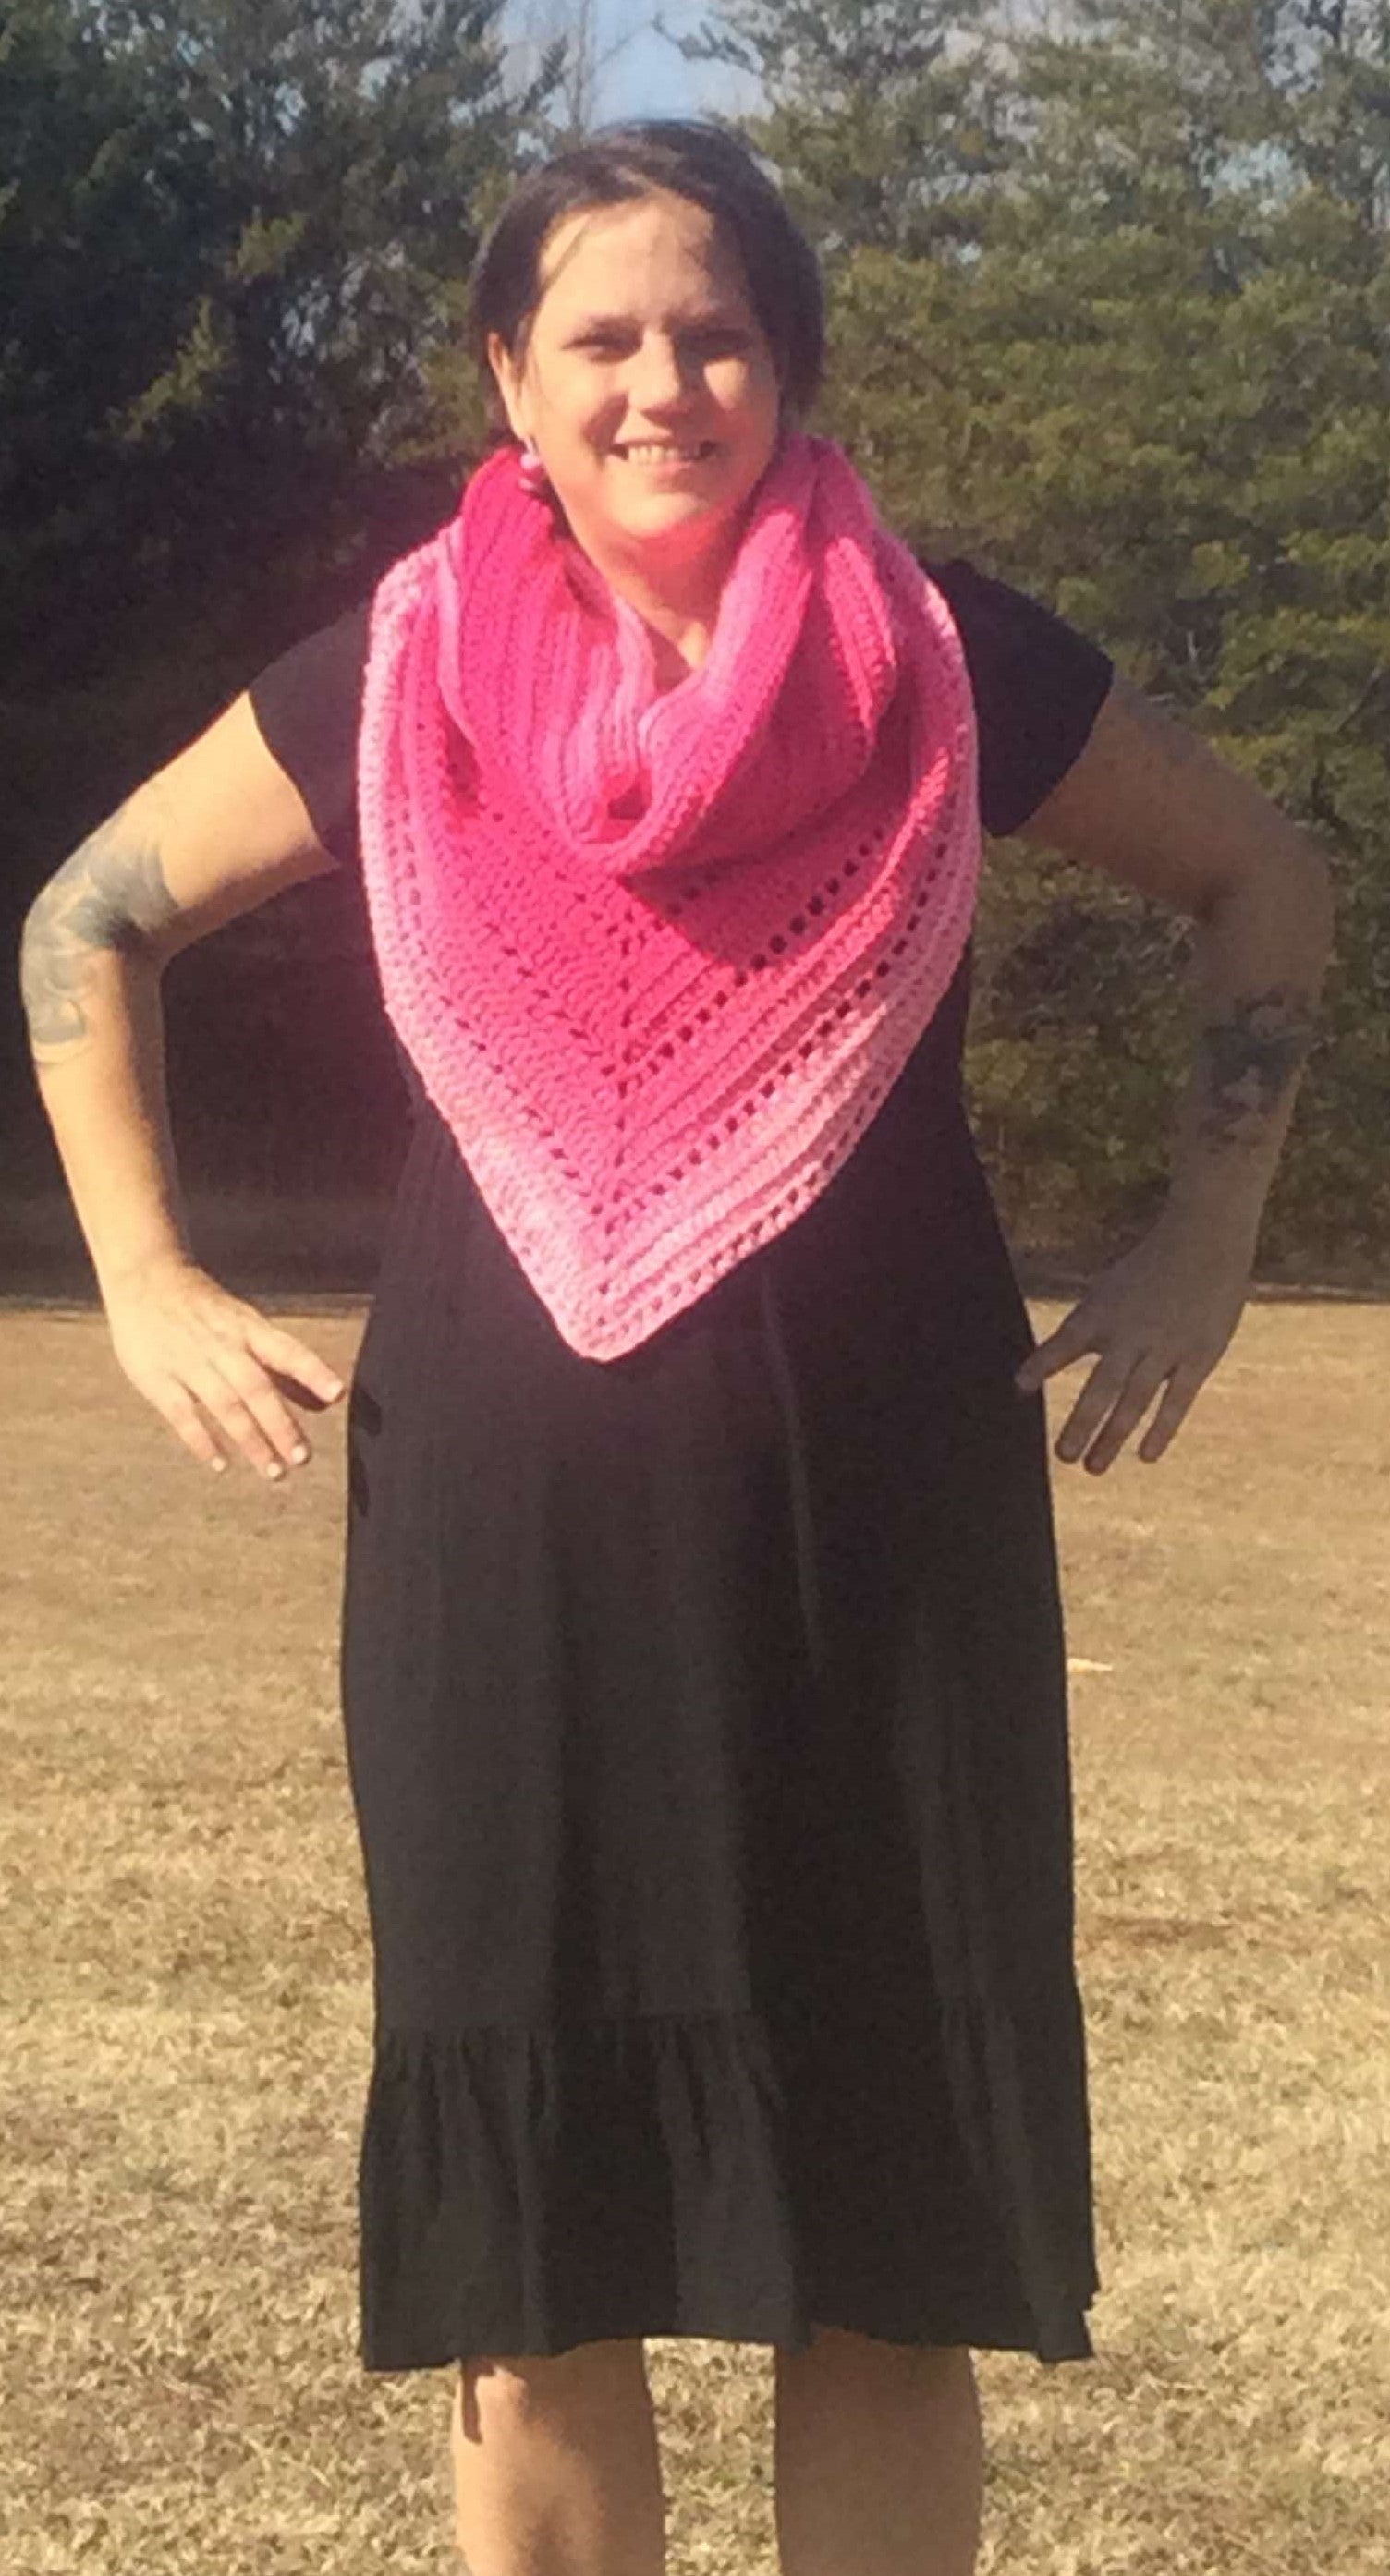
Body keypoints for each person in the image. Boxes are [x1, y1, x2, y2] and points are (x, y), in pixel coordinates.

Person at [19, 116, 1332, 2576]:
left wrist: (1205, 1240)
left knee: (892, 2257)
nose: (661, 384)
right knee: (537, 2270)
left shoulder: (945, 655)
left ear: (791, 369)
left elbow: (1264, 870)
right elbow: (87, 916)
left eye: (715, 334)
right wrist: (149, 1281)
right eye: (600, 337)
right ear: (507, 380)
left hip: (888, 1545)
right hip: (504, 1560)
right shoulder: (394, 679)